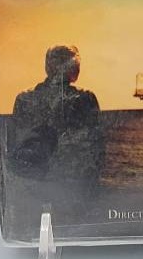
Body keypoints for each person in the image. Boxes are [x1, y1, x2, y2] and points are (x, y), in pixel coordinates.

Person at [9, 45, 104, 182]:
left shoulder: (24, 98)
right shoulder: (84, 98)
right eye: (77, 66)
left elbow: (14, 144)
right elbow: (96, 146)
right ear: (72, 68)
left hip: (33, 179)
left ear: (47, 67)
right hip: (70, 179)